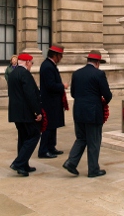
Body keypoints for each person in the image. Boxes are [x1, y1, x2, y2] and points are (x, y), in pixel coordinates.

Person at [63, 50, 112, 178]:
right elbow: (107, 94)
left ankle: (71, 162)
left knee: (81, 138)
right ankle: (93, 169)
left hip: (78, 110)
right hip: (93, 112)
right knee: (94, 141)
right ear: (97, 63)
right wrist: (103, 102)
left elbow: (73, 93)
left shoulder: (77, 73)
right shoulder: (99, 74)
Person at [8, 53, 42, 177]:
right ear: (27, 62)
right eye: (31, 63)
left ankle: (23, 165)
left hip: (15, 112)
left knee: (23, 137)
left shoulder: (12, 73)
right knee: (34, 135)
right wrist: (37, 112)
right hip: (26, 112)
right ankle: (18, 162)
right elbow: (30, 94)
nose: (31, 65)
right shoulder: (25, 74)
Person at [38, 44, 69, 158]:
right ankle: (43, 149)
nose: (61, 58)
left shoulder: (50, 65)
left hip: (53, 101)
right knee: (48, 126)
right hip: (49, 101)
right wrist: (62, 86)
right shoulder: (47, 66)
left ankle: (51, 147)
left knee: (53, 125)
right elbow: (50, 85)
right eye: (60, 55)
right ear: (55, 55)